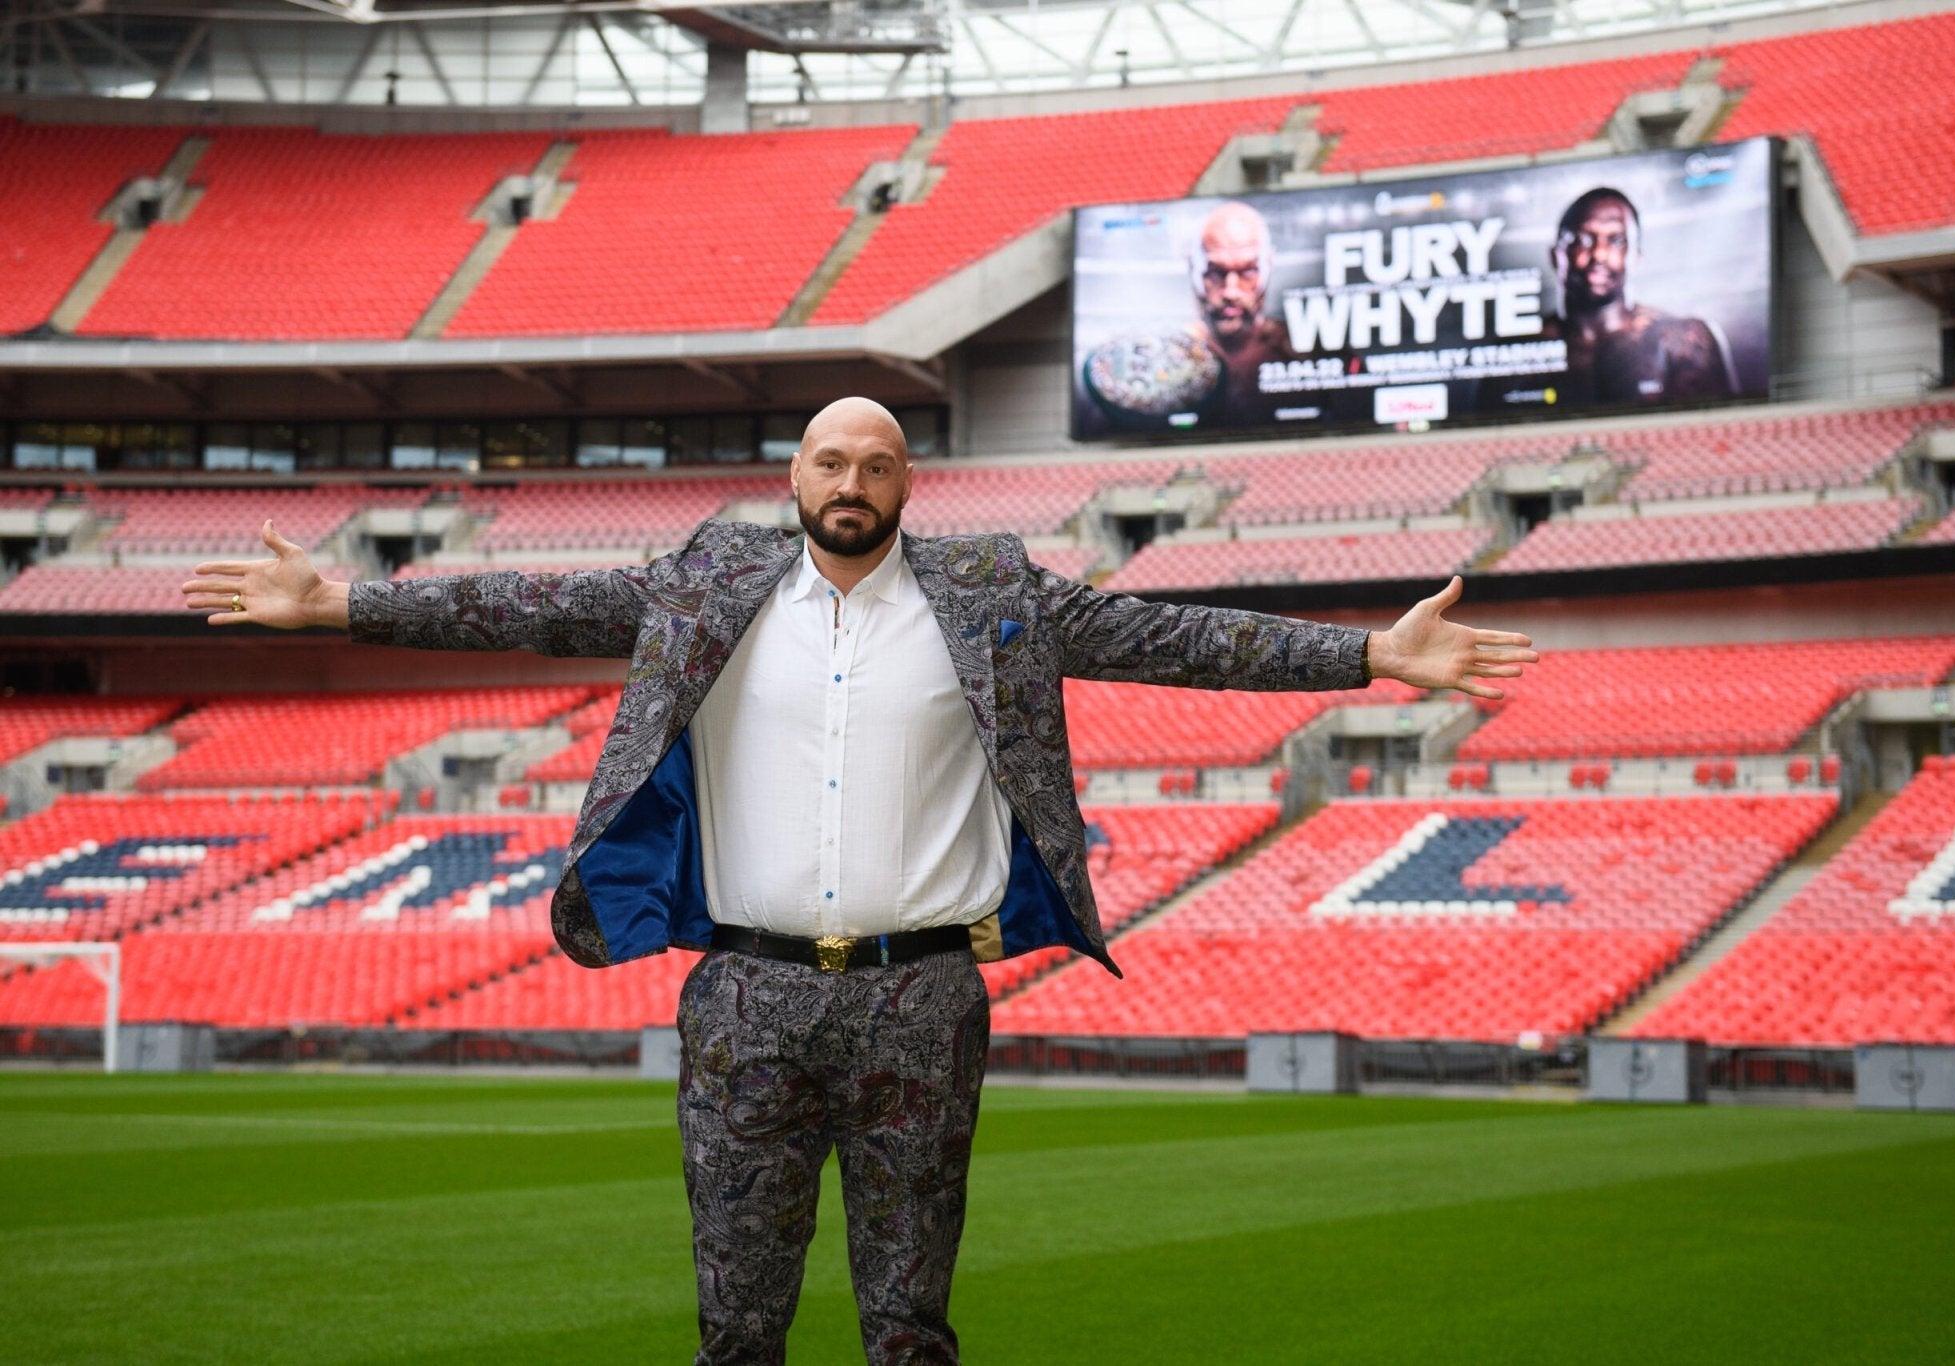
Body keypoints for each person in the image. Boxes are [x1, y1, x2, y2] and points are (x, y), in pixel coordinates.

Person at [181, 397, 1536, 1365]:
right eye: (830, 456)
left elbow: (1166, 633)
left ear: (905, 486)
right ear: (795, 476)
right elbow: (525, 603)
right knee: (737, 1320)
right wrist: (341, 604)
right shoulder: (706, 583)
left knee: (908, 1321)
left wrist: (1364, 657)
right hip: (745, 998)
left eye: (876, 461)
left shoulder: (991, 594)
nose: (852, 478)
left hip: (922, 995)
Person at [1543, 186, 1737, 405]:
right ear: (1555, 255)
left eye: (1616, 240)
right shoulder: (1522, 347)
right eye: (1583, 240)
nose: (1599, 254)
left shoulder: (1683, 340)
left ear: (1636, 257)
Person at [1189, 201, 1293, 425]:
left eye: (1248, 272)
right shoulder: (1169, 356)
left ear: (1268, 266)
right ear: (1194, 269)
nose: (1231, 291)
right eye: (1216, 272)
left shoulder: (1303, 351)